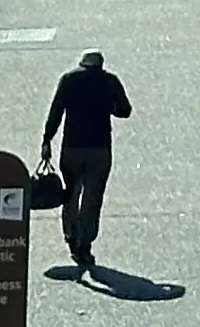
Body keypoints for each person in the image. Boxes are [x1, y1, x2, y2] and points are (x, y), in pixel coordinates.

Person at [41, 47, 133, 273]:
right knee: (93, 197)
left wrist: (47, 139)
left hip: (72, 147)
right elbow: (125, 110)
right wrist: (108, 107)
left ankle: (71, 236)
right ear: (100, 64)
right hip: (100, 148)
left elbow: (56, 112)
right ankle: (85, 243)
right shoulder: (109, 81)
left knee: (71, 194)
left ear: (82, 63)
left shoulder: (69, 79)